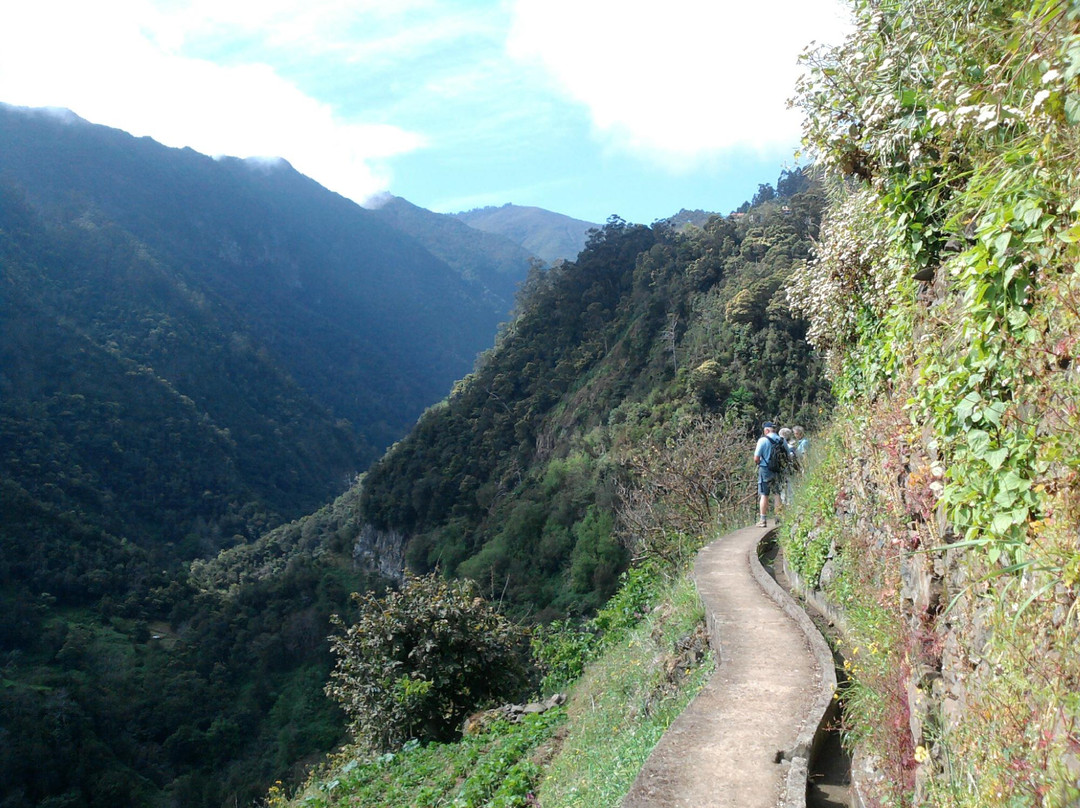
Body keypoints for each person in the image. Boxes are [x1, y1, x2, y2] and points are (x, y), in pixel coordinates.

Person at [753, 421, 790, 528]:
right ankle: (778, 519)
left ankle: (763, 520)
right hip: (778, 470)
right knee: (777, 494)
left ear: (767, 430)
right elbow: (788, 455)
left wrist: (760, 463)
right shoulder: (782, 441)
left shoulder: (763, 440)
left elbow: (756, 458)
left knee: (764, 494)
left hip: (765, 469)